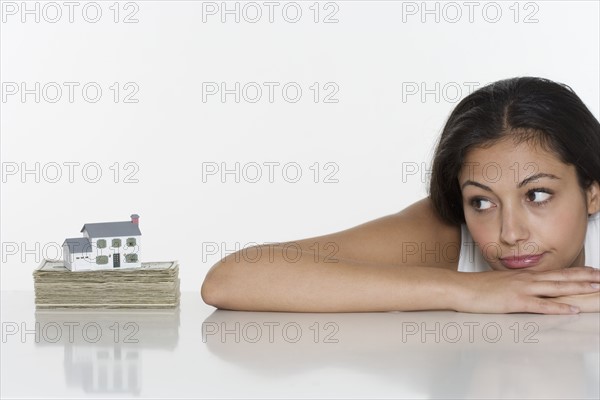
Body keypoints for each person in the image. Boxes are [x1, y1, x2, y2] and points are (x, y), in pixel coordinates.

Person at [201, 76, 600, 314]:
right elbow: (230, 280)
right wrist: (466, 289)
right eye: (481, 202)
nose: (509, 233)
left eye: (537, 194)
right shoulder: (442, 234)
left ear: (592, 193)